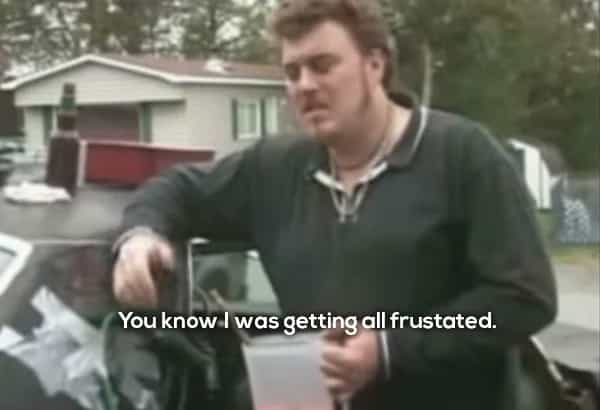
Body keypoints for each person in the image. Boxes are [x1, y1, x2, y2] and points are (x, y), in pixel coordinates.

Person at [111, 0, 558, 409]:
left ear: (375, 65)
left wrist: (388, 349)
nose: (305, 85)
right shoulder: (275, 169)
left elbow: (524, 297)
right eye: (292, 72)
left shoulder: (463, 157)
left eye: (322, 65)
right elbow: (177, 189)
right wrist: (141, 236)